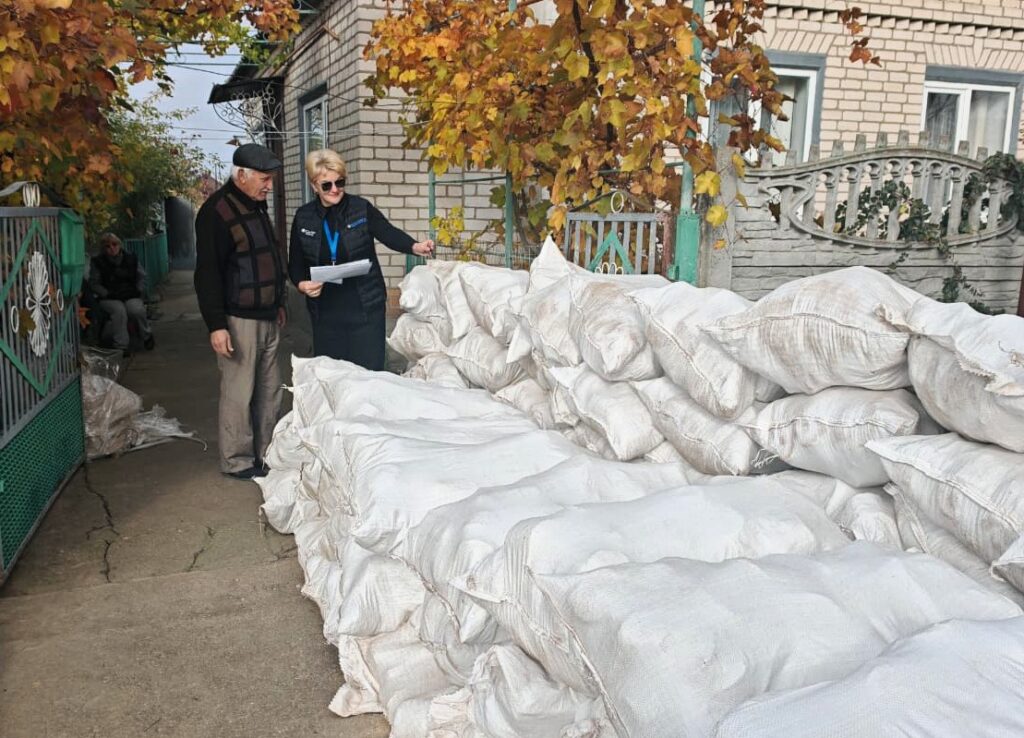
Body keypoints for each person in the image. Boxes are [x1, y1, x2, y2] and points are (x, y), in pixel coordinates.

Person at [289, 148, 434, 368]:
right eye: (327, 185)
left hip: (365, 308)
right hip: (326, 315)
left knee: (368, 375)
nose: (335, 189)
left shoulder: (360, 208)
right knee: (333, 374)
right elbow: (295, 263)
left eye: (340, 182)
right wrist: (302, 284)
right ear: (314, 186)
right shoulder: (304, 217)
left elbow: (387, 232)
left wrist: (414, 246)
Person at [194, 143, 288, 480]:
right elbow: (207, 273)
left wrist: (279, 302)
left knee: (270, 390)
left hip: (267, 315)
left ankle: (267, 454)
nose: (269, 186)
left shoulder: (256, 206)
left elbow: (267, 258)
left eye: (271, 179)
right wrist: (216, 325)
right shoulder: (216, 212)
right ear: (242, 175)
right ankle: (237, 460)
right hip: (238, 320)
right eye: (265, 179)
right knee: (239, 392)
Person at [89, 233, 154, 354]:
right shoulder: (98, 262)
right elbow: (94, 283)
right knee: (119, 311)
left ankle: (146, 335)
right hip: (109, 296)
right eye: (108, 246)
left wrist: (138, 290)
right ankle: (121, 345)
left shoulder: (131, 258)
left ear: (119, 245)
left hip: (130, 293)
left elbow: (142, 276)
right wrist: (106, 293)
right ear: (104, 248)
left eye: (114, 244)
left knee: (136, 310)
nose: (112, 248)